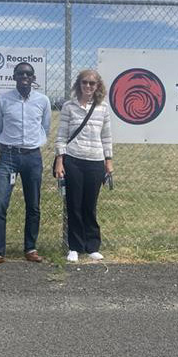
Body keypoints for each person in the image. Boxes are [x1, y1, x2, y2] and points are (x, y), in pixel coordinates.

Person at [0, 62, 51, 269]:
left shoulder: (43, 101)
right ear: (14, 76)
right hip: (8, 157)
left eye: (28, 74)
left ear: (33, 77)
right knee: (0, 204)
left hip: (32, 157)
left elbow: (45, 127)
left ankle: (30, 248)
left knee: (33, 204)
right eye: (20, 73)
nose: (24, 76)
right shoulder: (2, 101)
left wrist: (34, 144)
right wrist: (5, 149)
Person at [54, 69, 114, 263]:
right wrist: (60, 160)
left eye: (92, 83)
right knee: (74, 205)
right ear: (78, 84)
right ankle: (75, 246)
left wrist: (108, 160)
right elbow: (62, 135)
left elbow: (106, 136)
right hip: (73, 160)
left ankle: (92, 246)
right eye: (84, 82)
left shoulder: (102, 108)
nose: (88, 86)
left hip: (95, 161)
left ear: (98, 86)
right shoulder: (68, 107)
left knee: (90, 205)